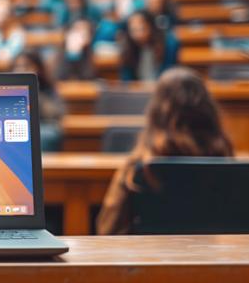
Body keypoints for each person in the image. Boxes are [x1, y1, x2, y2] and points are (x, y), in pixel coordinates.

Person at [96, 67, 234, 235]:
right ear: (208, 111)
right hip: (208, 259)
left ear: (156, 111)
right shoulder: (227, 163)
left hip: (149, 258)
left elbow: (107, 228)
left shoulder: (140, 167)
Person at [119, 10, 180, 81]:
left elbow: (169, 74)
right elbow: (127, 80)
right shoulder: (128, 48)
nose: (138, 35)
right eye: (133, 30)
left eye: (142, 29)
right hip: (138, 90)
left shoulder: (168, 44)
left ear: (151, 27)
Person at [13, 50, 65, 121]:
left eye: (26, 66)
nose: (21, 70)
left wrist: (34, 93)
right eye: (17, 67)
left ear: (38, 68)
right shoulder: (7, 91)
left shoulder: (47, 87)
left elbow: (58, 112)